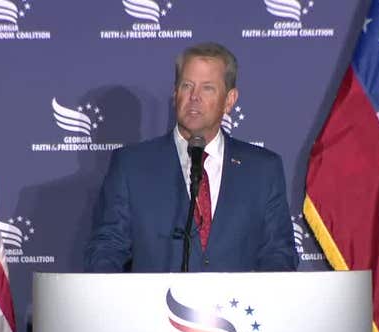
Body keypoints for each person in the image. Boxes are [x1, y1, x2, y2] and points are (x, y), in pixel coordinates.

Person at [84, 42, 297, 272]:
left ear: (230, 100)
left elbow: (278, 254)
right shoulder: (131, 166)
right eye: (187, 86)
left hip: (237, 307)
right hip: (154, 307)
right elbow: (107, 250)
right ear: (175, 94)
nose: (194, 97)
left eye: (207, 88)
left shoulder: (263, 169)